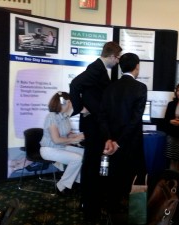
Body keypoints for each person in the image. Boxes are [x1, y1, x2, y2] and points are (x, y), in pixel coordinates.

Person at [69, 41, 122, 223]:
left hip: (94, 124)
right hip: (93, 125)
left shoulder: (99, 68)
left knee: (91, 165)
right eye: (118, 58)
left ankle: (89, 201)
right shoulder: (96, 68)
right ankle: (89, 205)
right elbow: (74, 84)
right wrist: (80, 108)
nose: (118, 62)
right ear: (112, 56)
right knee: (91, 166)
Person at [99, 52, 147, 216]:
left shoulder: (110, 87)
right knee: (134, 179)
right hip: (131, 144)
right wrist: (119, 142)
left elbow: (102, 116)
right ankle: (134, 214)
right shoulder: (140, 88)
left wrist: (109, 139)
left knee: (113, 179)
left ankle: (112, 213)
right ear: (137, 67)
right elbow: (135, 120)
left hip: (111, 144)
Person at [40, 91, 85, 194]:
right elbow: (56, 140)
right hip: (49, 149)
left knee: (85, 154)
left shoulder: (65, 117)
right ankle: (61, 186)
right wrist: (73, 139)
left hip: (60, 147)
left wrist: (78, 136)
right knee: (77, 159)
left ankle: (76, 181)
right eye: (71, 102)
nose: (73, 104)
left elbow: (67, 134)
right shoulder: (51, 117)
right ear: (67, 102)